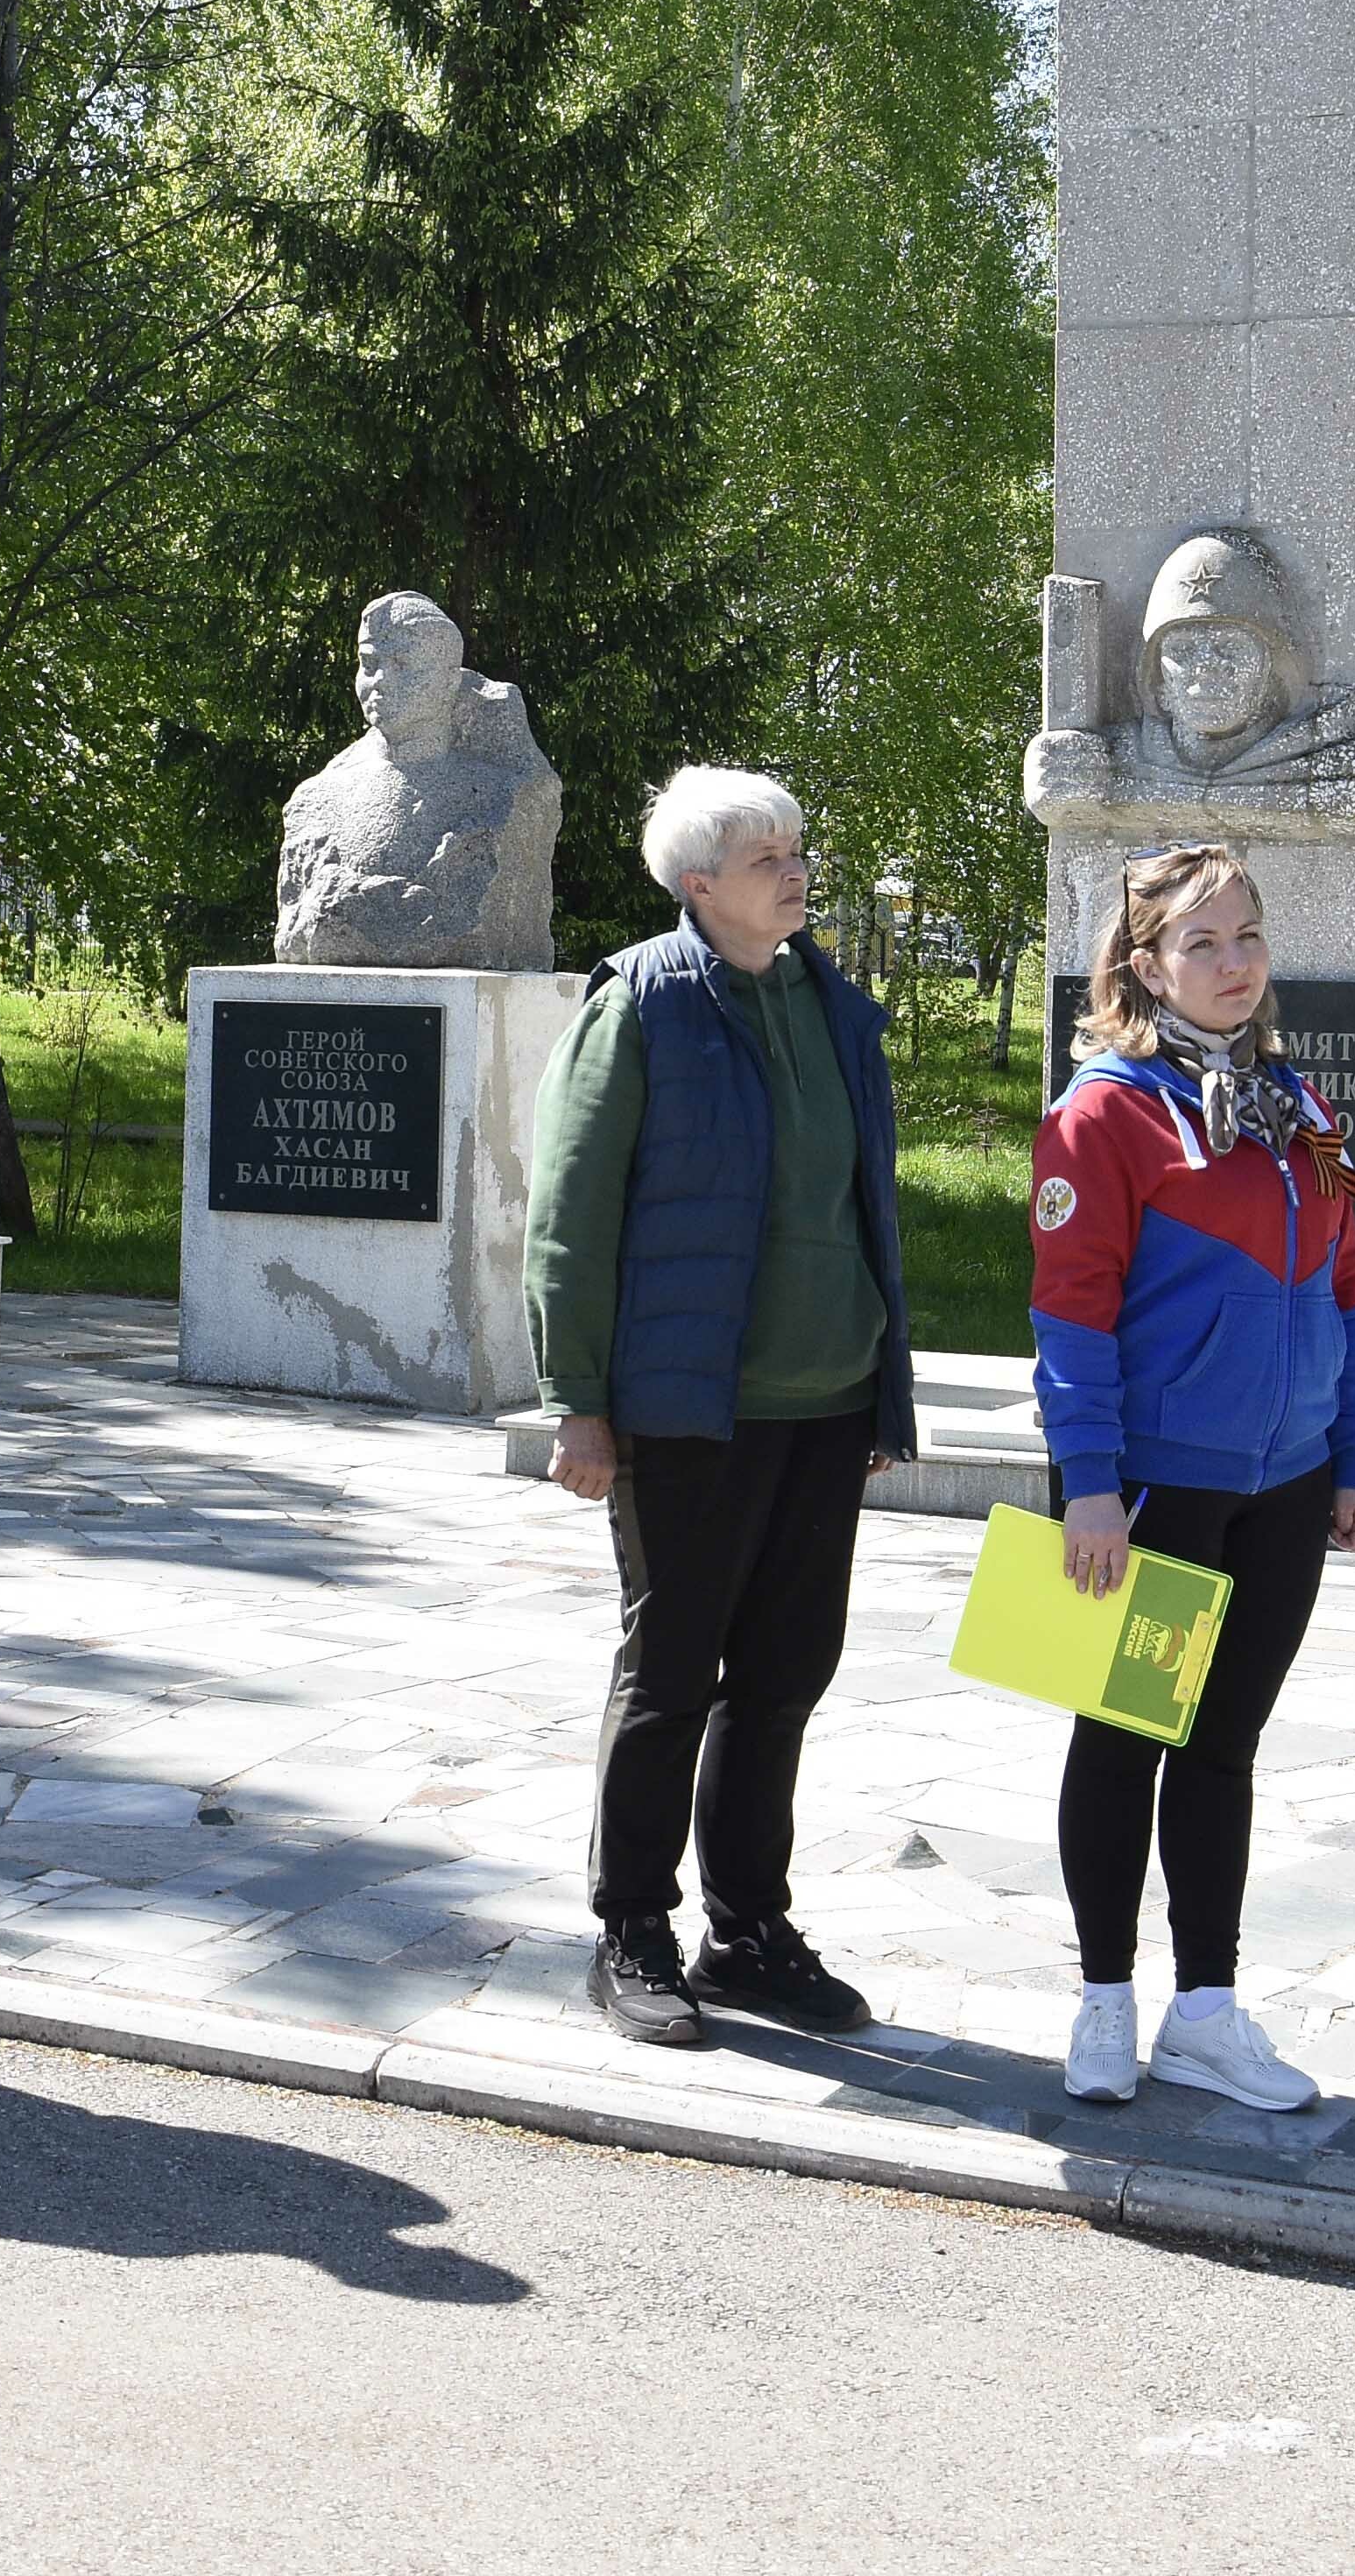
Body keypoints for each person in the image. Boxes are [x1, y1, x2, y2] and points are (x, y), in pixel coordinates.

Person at [525, 765, 914, 2050]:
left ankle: (748, 1933)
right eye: (765, 858)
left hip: (826, 1403)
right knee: (673, 1670)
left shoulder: (837, 1009)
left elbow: (865, 1217)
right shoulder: (639, 1004)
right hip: (690, 1410)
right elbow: (568, 1220)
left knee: (787, 1674)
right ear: (698, 884)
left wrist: (880, 1394)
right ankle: (632, 1926)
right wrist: (578, 1402)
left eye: (798, 849)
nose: (796, 871)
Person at [1030, 846, 1355, 2111]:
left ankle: (1209, 2012)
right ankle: (1105, 2001)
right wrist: (1092, 1482)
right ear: (1143, 964)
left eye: (1248, 939)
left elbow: (1345, 1284)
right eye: (1202, 945)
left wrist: (1347, 1454)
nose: (1234, 967)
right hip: (1161, 1489)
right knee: (1125, 1739)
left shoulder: (1300, 1105)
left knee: (1223, 1748)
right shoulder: (1105, 1111)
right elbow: (1070, 1314)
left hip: (1283, 1487)